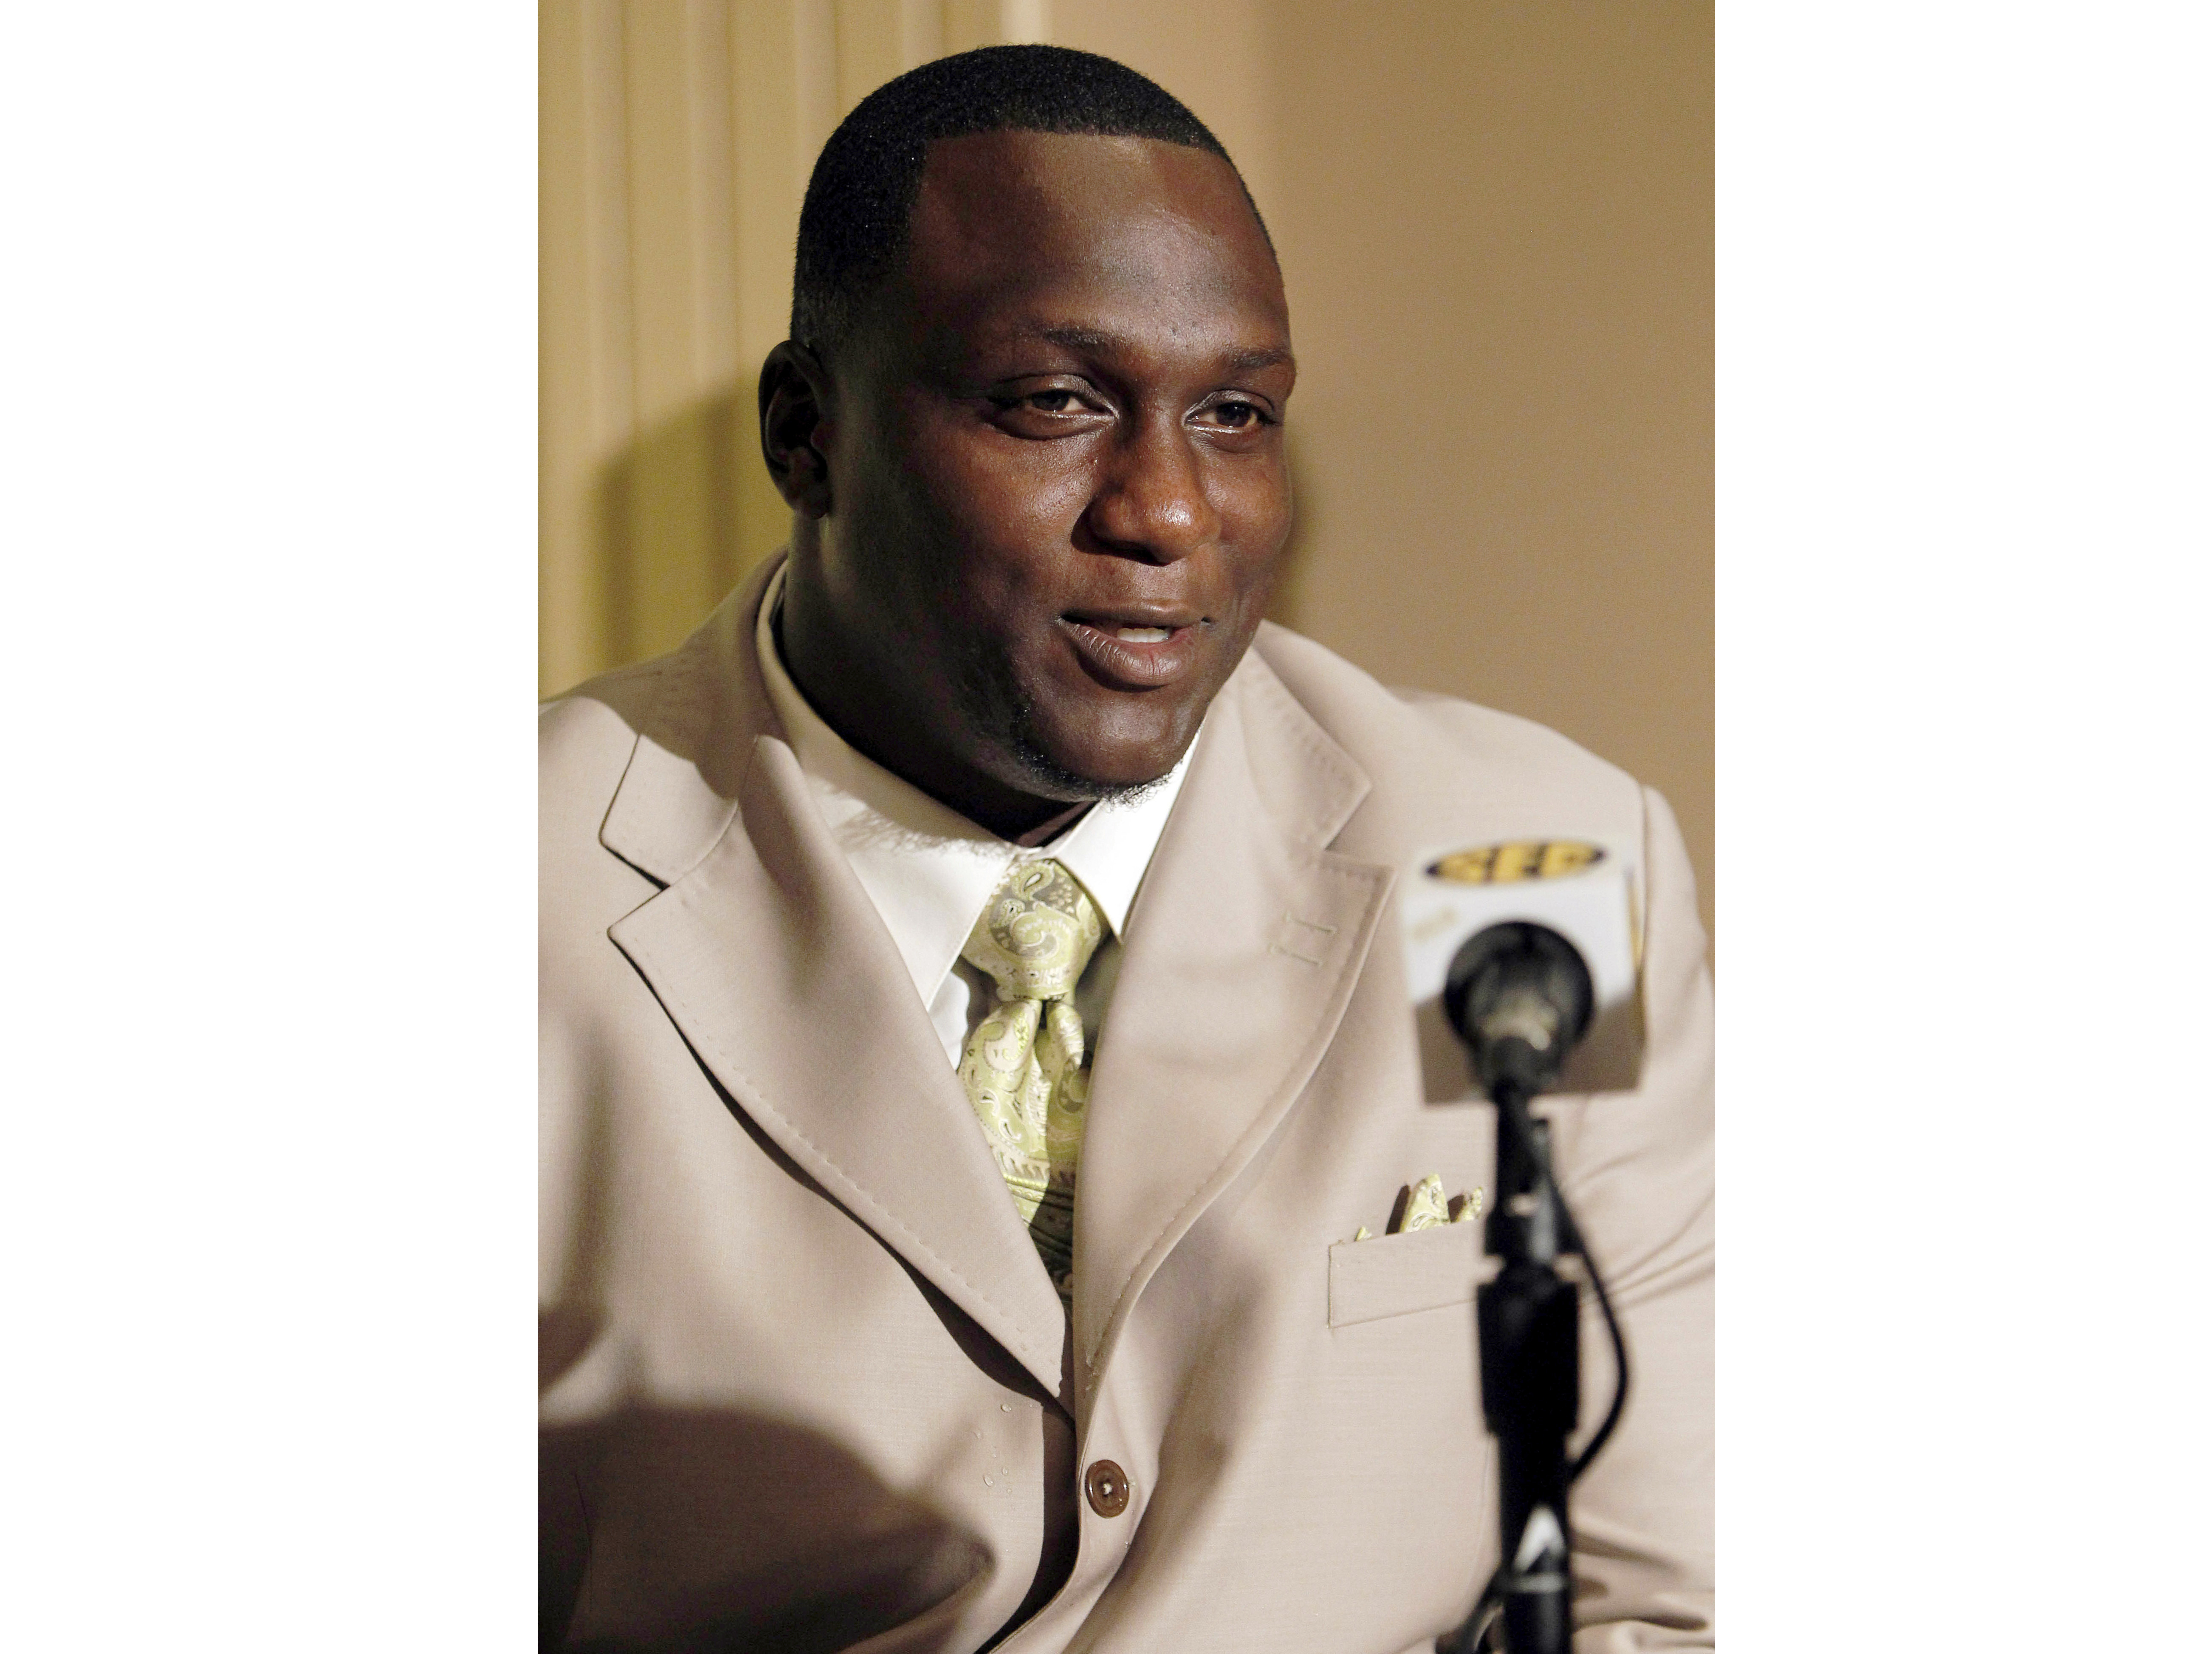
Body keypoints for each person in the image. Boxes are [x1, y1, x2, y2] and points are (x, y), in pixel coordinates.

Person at [540, 45, 1712, 1653]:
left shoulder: (1523, 863)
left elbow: (1663, 1588)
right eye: (1056, 404)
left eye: (1236, 416)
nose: (1165, 511)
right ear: (807, 435)